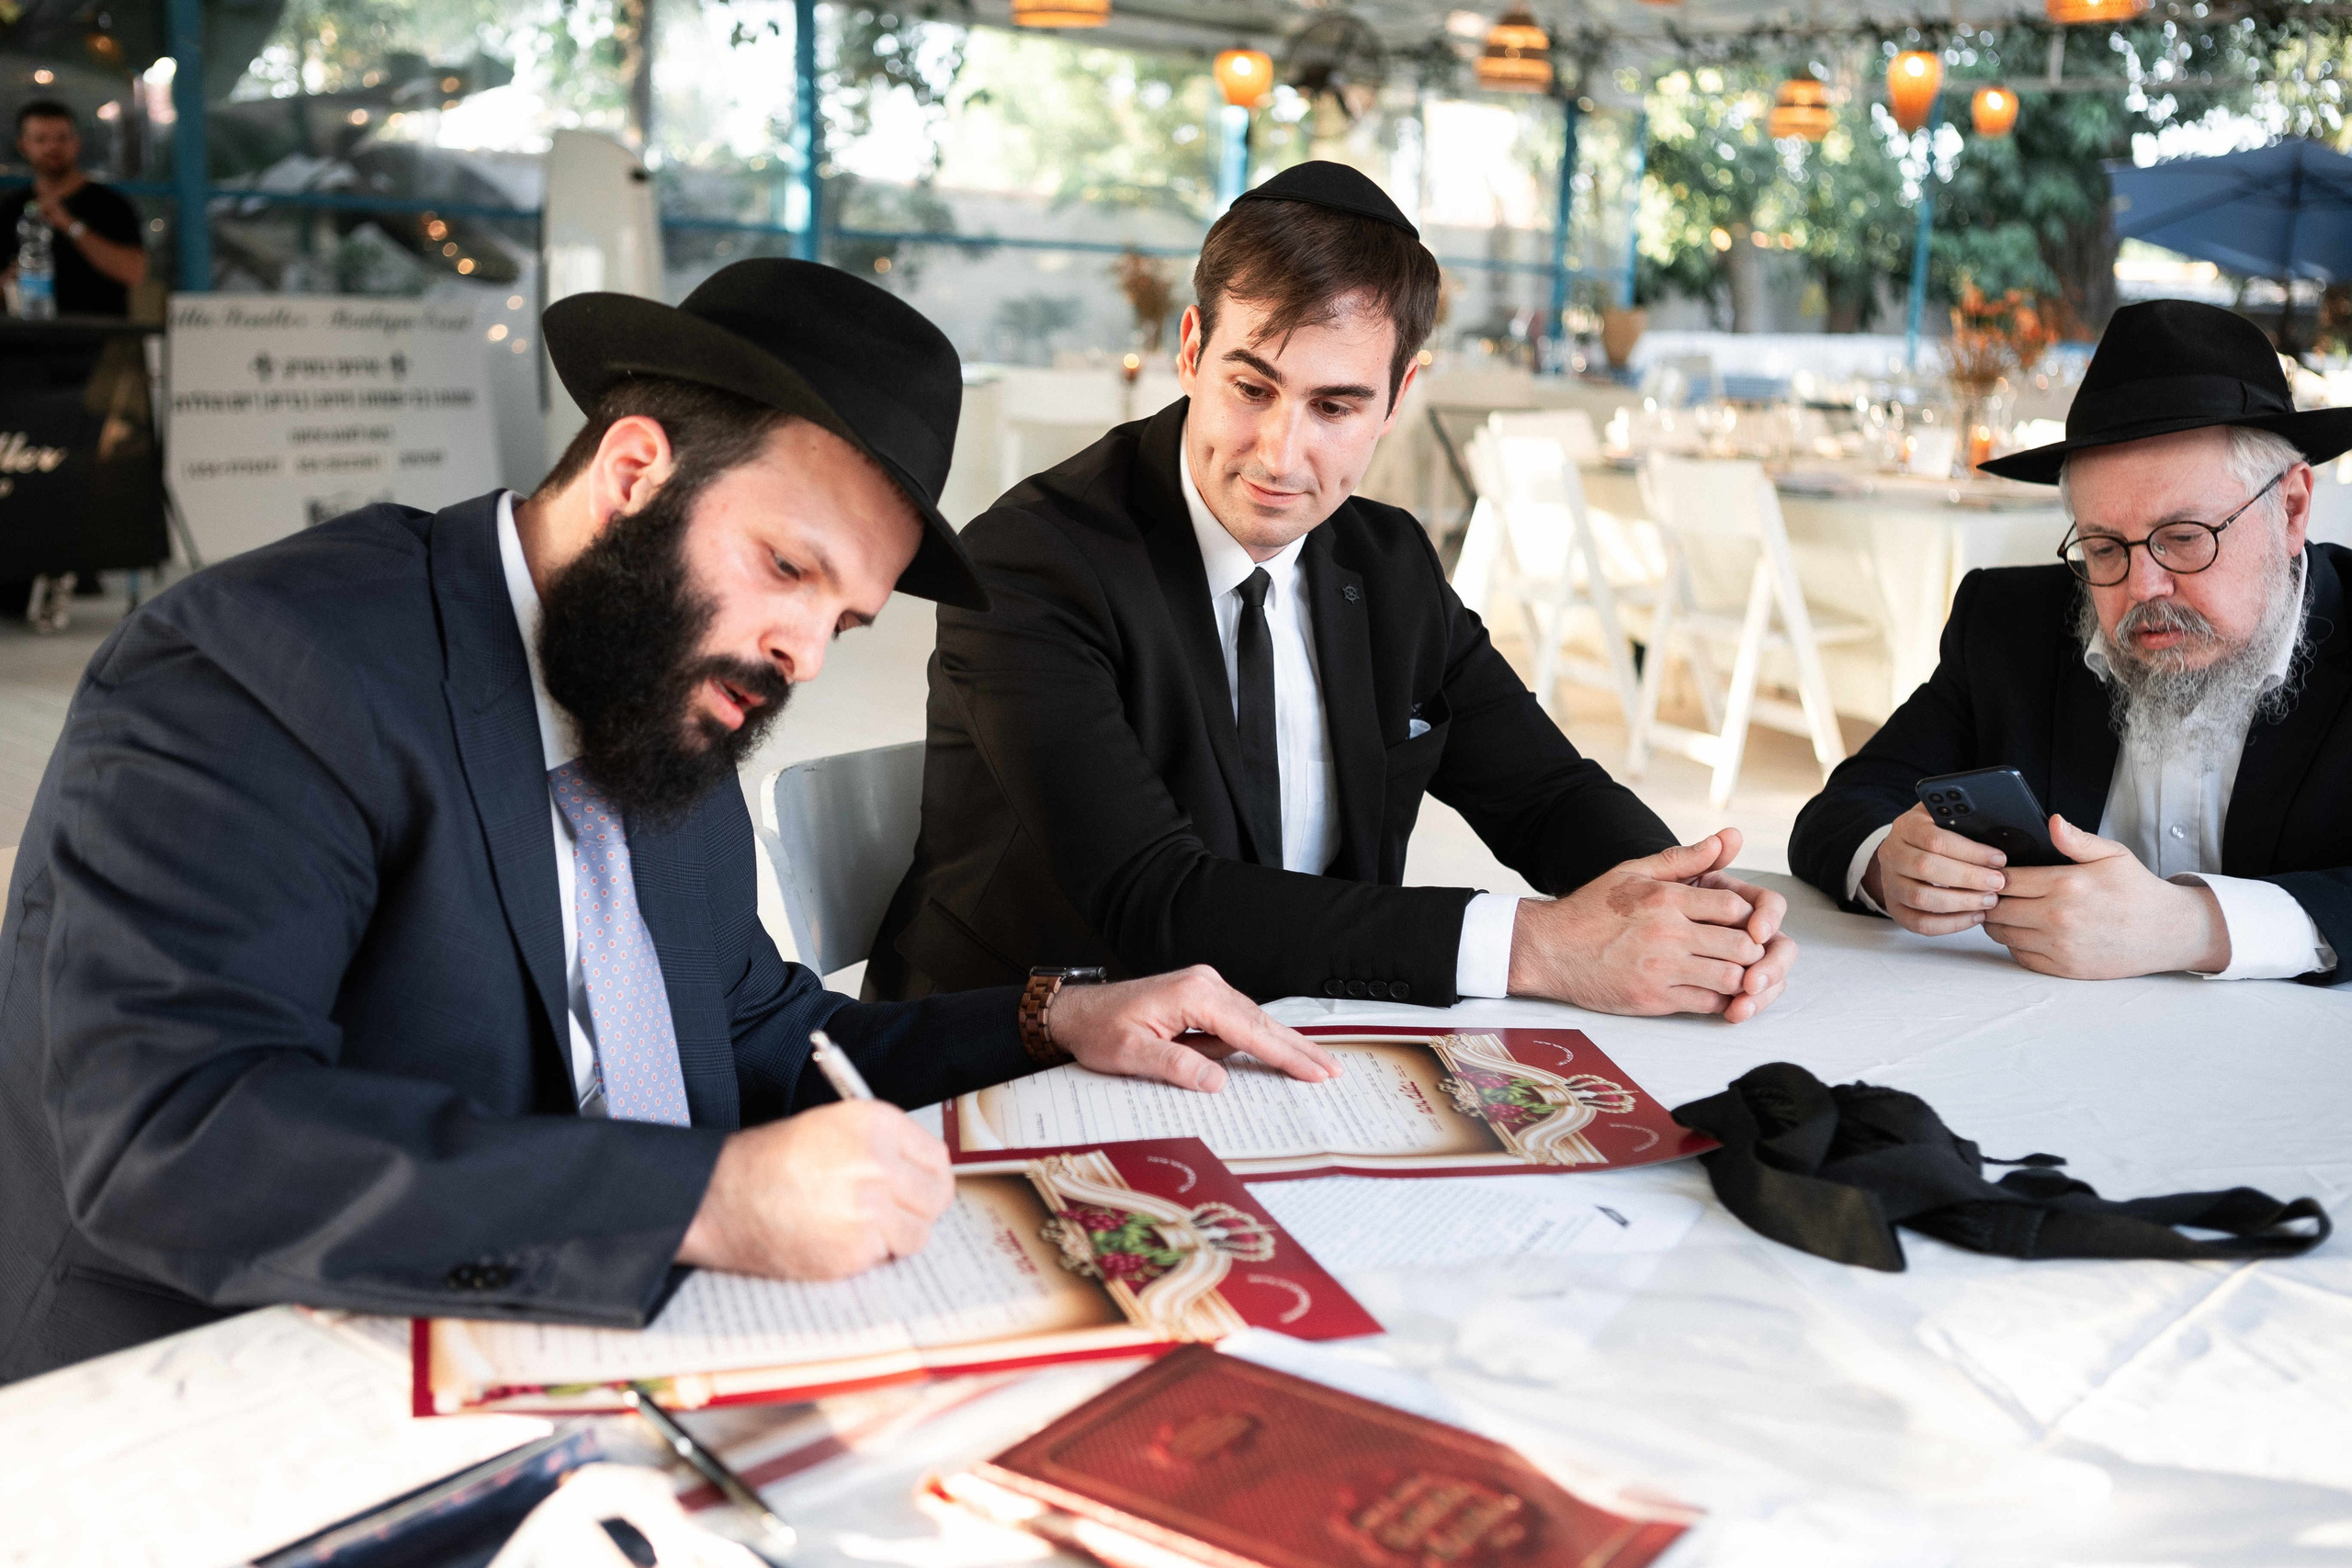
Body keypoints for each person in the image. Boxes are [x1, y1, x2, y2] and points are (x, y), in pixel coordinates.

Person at [0, 259, 1338, 1382]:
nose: (804, 651)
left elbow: (761, 1029)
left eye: (844, 617)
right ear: (634, 471)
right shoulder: (266, 670)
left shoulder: (655, 685)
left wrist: (1052, 1015)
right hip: (223, 1379)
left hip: (584, 1355)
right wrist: (702, 1199)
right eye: (786, 567)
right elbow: (172, 1137)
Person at [867, 162, 1796, 1020]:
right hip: (1013, 1056)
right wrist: (1535, 946)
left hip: (1301, 1035)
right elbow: (1152, 898)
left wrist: (1683, 908)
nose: (1280, 453)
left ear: (1395, 400)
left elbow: (1543, 794)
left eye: (1335, 407)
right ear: (1191, 350)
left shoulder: (1386, 562)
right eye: (1251, 387)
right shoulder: (1033, 561)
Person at [1789, 299, 2348, 985]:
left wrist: (2194, 926)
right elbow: (1844, 807)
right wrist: (1891, 863)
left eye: (2182, 538)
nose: (2143, 586)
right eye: (2104, 546)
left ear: (2291, 508)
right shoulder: (2006, 623)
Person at [1, 99, 147, 318]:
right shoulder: (11, 208)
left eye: (61, 138)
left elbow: (134, 273)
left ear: (76, 143)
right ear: (23, 146)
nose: (52, 147)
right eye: (41, 139)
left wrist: (70, 225)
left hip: (97, 337)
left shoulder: (111, 205)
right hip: (25, 339)